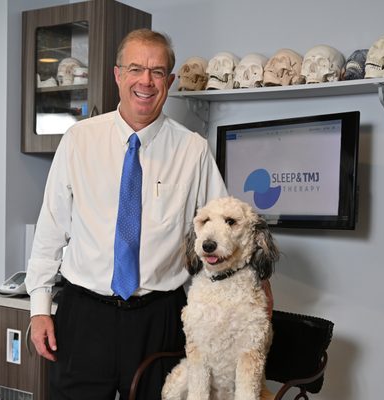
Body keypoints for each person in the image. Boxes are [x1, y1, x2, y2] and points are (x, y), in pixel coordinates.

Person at [26, 28, 238, 399]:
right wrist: (39, 308)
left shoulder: (193, 151)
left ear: (170, 81)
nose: (146, 81)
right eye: (135, 68)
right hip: (84, 315)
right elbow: (51, 229)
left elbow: (222, 238)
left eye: (157, 72)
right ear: (117, 75)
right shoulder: (79, 140)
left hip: (159, 318)